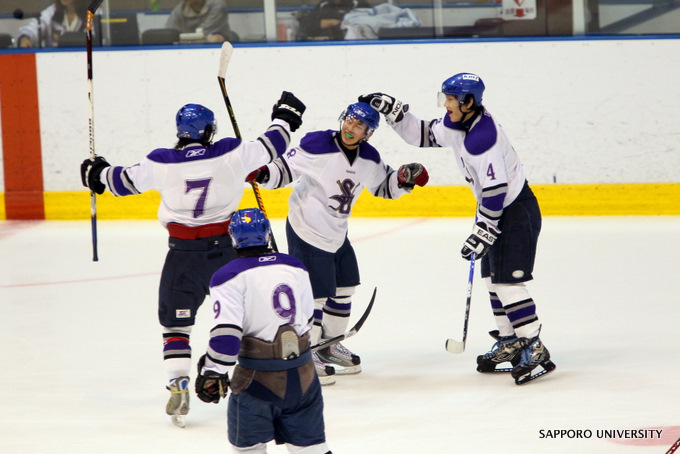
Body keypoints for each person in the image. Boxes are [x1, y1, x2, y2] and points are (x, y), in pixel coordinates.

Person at [79, 92, 306, 426]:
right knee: (242, 318)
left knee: (175, 324)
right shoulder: (231, 150)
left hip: (183, 256)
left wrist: (96, 173)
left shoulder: (161, 161)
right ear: (209, 131)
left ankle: (178, 382)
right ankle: (254, 371)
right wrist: (284, 118)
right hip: (230, 255)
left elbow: (121, 182)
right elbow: (273, 145)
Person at [359, 74, 556, 385]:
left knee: (507, 283)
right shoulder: (458, 124)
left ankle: (534, 346)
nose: (446, 105)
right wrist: (395, 114)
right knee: (492, 279)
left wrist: (484, 228)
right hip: (496, 212)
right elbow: (422, 134)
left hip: (515, 212)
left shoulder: (482, 138)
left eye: (450, 100)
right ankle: (510, 341)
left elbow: (495, 190)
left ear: (467, 102)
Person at [248, 101, 429, 385]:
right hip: (307, 228)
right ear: (342, 119)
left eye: (359, 126)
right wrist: (263, 173)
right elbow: (286, 169)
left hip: (336, 232)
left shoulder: (369, 158)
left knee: (345, 287)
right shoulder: (318, 143)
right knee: (316, 295)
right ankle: (307, 355)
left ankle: (328, 346)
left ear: (368, 133)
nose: (351, 128)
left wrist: (405, 179)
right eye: (349, 121)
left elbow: (384, 185)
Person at [195, 208, 332, 454]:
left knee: (249, 449)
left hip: (256, 381)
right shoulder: (295, 266)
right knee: (312, 449)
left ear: (233, 237)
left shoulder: (226, 277)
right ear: (267, 234)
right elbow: (309, 317)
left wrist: (212, 371)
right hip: (303, 375)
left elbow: (226, 337)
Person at [16, 0, 89, 48]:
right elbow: (33, 27)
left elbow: (95, 38)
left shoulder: (93, 12)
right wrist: (25, 37)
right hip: (54, 61)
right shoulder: (51, 12)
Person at [298, 0, 371, 40]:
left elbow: (368, 27)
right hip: (327, 45)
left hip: (354, 45)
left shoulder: (359, 4)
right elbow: (307, 26)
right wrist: (332, 22)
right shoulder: (324, 5)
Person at [166, 0, 232, 43]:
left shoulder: (217, 5)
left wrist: (183, 39)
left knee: (215, 39)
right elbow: (169, 33)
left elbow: (203, 34)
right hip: (187, 49)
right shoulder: (180, 9)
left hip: (215, 49)